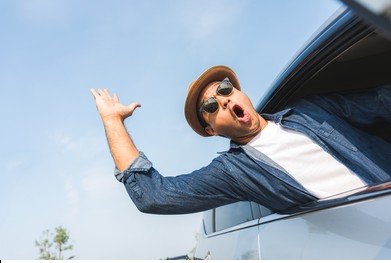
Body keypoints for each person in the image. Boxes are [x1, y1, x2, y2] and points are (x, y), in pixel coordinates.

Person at [91, 65, 391, 214]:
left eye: (224, 89)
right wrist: (112, 120)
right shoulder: (233, 172)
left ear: (239, 93)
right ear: (212, 131)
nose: (221, 100)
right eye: (209, 107)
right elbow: (155, 196)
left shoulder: (312, 111)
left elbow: (383, 101)